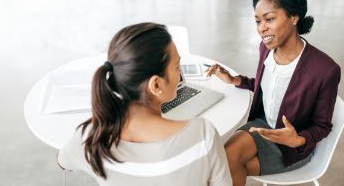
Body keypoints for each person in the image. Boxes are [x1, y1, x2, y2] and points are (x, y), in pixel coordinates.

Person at [57, 23, 232, 186]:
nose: (180, 72)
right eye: (177, 67)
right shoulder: (202, 135)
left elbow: (63, 162)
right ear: (156, 85)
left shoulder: (89, 138)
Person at [205, 0, 341, 185]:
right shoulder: (266, 49)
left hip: (291, 146)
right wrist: (236, 80)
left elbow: (322, 125)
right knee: (221, 162)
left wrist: (297, 140)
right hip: (262, 126)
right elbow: (269, 87)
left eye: (269, 19)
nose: (261, 28)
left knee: (224, 166)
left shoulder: (325, 70)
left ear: (294, 17)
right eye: (258, 21)